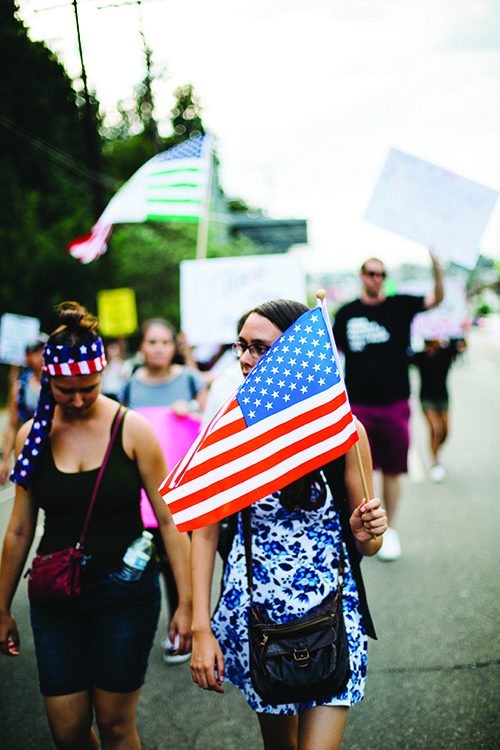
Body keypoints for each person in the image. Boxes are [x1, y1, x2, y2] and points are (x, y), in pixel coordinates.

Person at [190, 299, 387, 750]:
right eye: (241, 346)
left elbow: (368, 543)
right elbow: (202, 533)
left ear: (296, 352)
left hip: (331, 617)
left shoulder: (346, 433)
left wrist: (368, 531)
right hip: (257, 624)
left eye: (259, 347)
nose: (243, 358)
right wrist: (201, 628)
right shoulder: (230, 435)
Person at [0, 302, 192, 750]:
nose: (80, 399)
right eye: (67, 390)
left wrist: (186, 604)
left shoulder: (133, 430)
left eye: (89, 387)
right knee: (67, 732)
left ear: (103, 374)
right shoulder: (33, 436)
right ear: (50, 381)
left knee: (115, 725)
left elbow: (169, 519)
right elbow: (19, 531)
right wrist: (2, 606)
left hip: (125, 595)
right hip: (55, 595)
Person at [333, 251, 444, 561]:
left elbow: (436, 298)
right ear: (362, 275)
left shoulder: (399, 305)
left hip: (394, 403)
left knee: (393, 470)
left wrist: (437, 266)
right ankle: (363, 530)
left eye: (381, 273)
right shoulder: (346, 313)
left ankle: (388, 529)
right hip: (357, 406)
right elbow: (333, 353)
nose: (376, 278)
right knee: (359, 470)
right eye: (370, 272)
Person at [121, 318, 207, 664]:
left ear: (175, 346)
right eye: (151, 342)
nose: (157, 348)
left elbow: (208, 420)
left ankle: (182, 626)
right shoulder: (128, 386)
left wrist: (193, 410)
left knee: (177, 561)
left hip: (180, 490)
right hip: (141, 492)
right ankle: (133, 633)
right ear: (141, 346)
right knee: (141, 561)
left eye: (164, 342)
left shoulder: (190, 379)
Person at [411, 337, 465, 482]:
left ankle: (437, 450)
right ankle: (435, 463)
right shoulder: (419, 356)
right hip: (426, 398)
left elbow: (463, 345)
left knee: (446, 432)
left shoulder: (446, 353)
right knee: (436, 430)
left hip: (443, 398)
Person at [0, 333, 48, 484]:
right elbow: (13, 425)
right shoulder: (21, 386)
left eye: (44, 351)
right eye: (36, 352)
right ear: (28, 357)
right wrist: (5, 460)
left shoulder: (59, 382)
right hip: (31, 449)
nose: (41, 356)